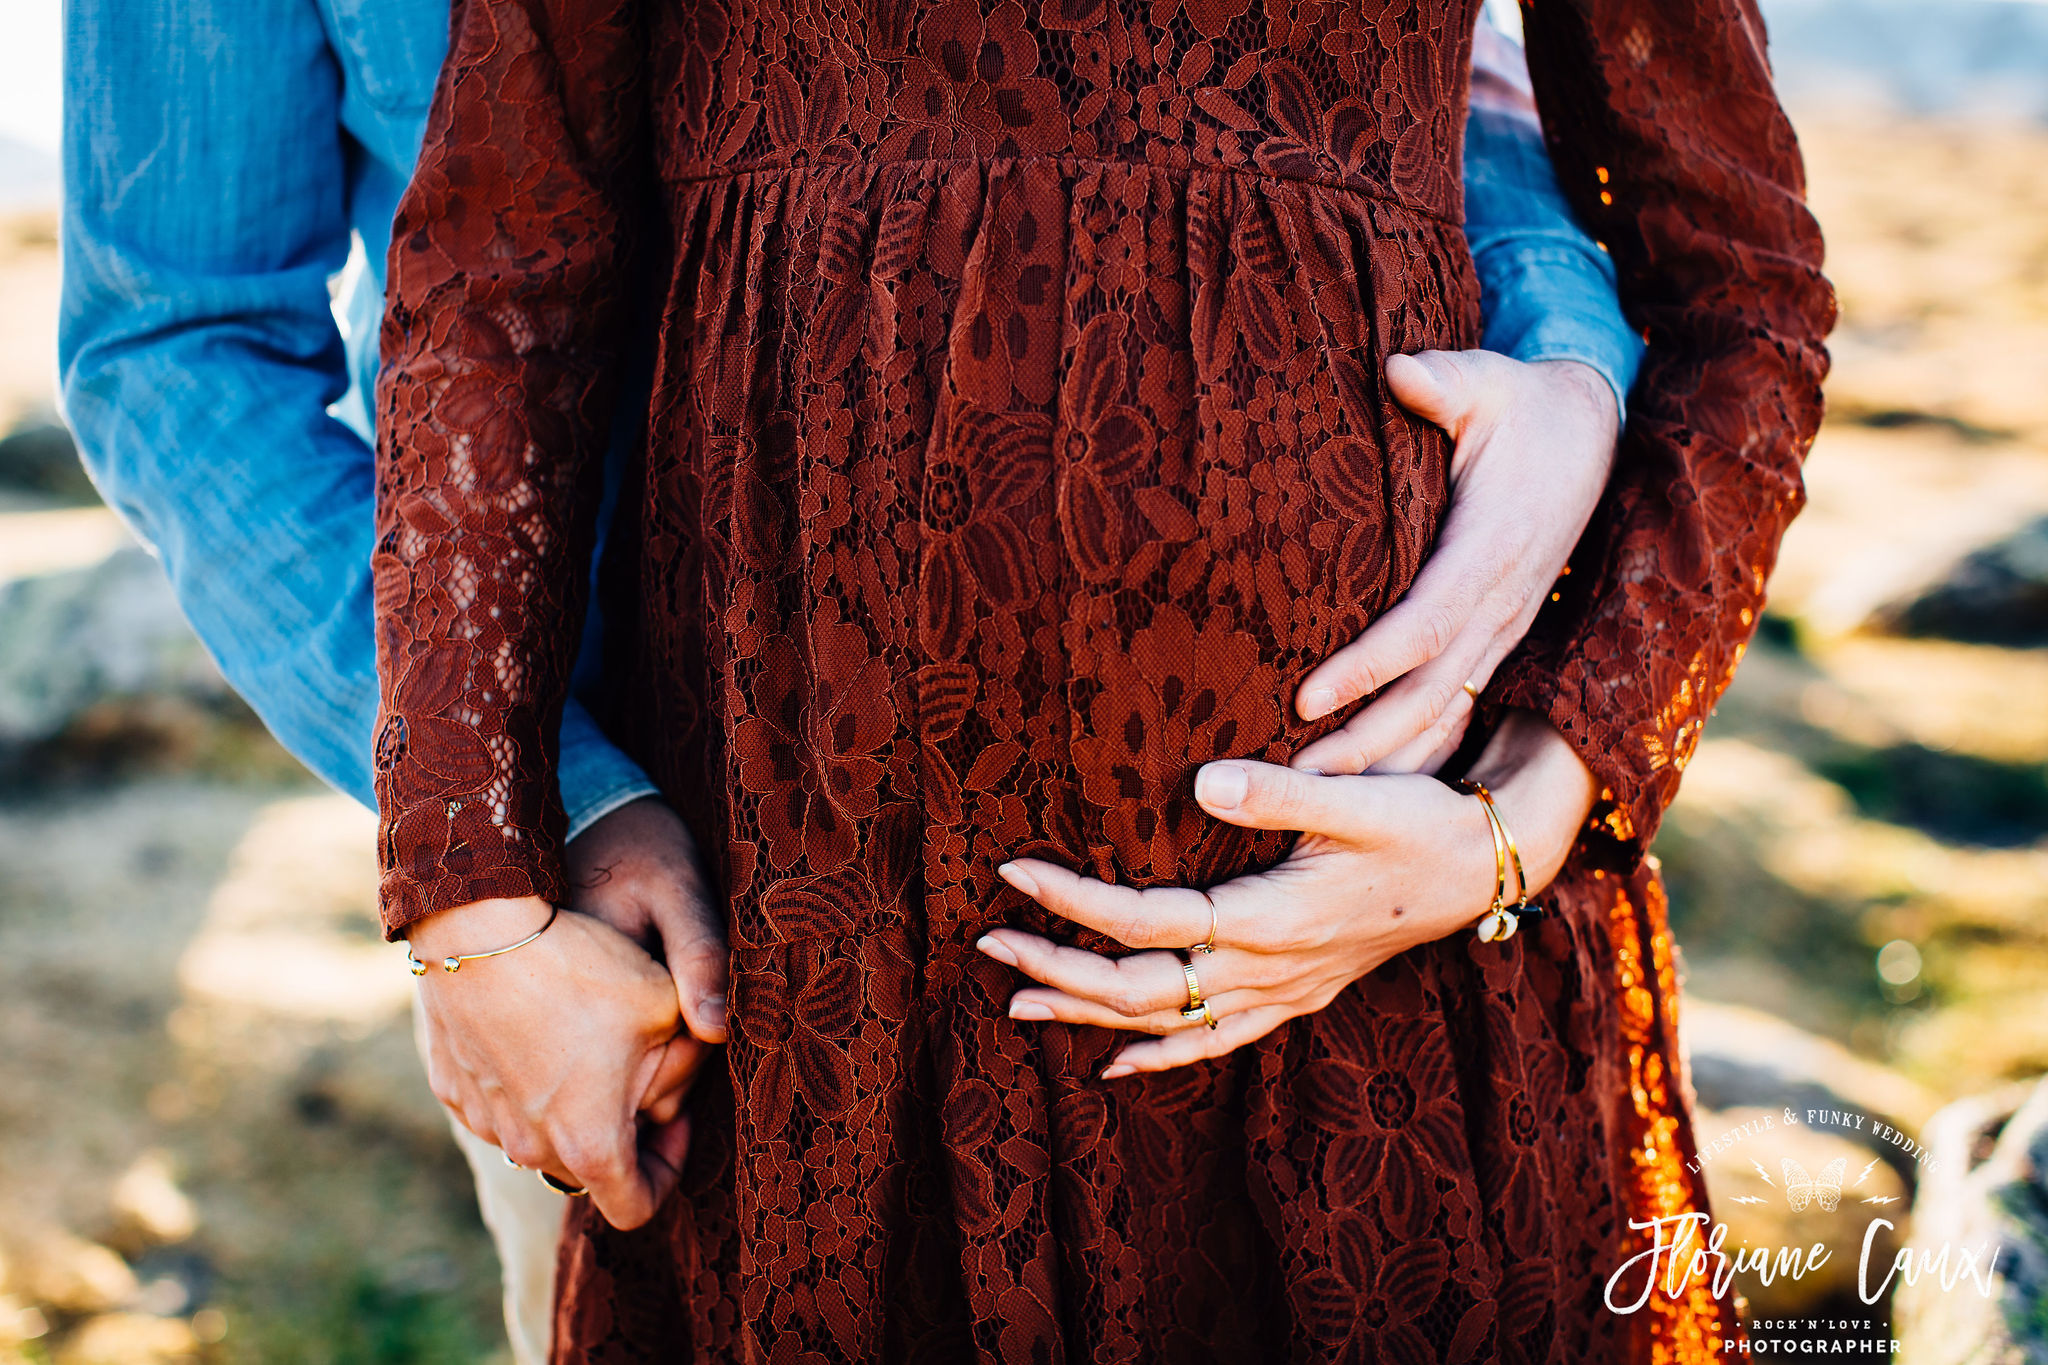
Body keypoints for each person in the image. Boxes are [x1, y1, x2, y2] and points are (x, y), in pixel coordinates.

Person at [57, 3, 1645, 1362]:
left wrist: (1569, 360)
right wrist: (518, 845)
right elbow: (179, 337)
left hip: (1305, 858)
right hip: (683, 919)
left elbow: (1416, 72)